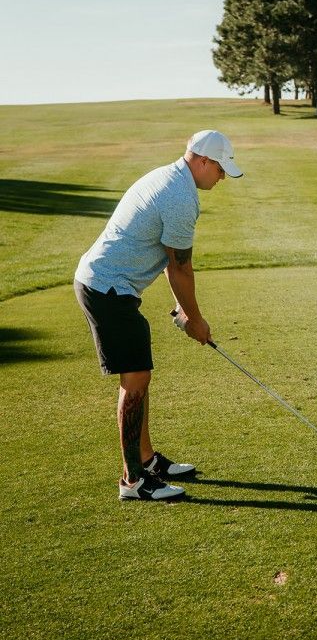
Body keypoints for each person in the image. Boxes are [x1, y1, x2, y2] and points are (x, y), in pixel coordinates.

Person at [74, 129, 243, 502]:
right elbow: (181, 268)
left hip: (108, 285)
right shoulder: (181, 196)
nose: (222, 177)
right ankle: (133, 481)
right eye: (219, 169)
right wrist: (196, 320)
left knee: (139, 374)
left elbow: (171, 262)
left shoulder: (166, 176)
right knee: (134, 380)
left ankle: (147, 460)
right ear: (202, 161)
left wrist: (186, 310)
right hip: (107, 289)